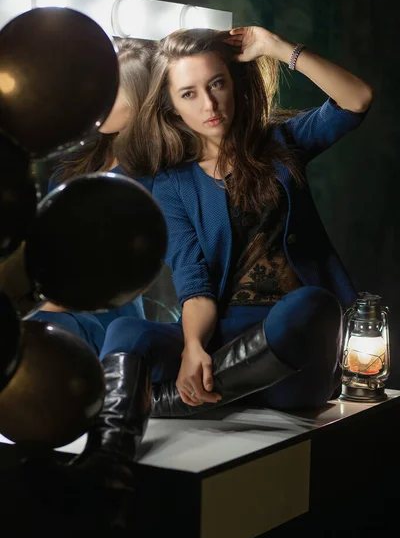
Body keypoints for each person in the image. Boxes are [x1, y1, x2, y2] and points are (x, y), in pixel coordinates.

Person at [97, 25, 373, 418]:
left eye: (216, 84)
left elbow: (357, 99)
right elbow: (194, 283)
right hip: (221, 339)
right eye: (189, 94)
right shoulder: (171, 184)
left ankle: (179, 401)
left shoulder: (282, 143)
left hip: (292, 351)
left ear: (233, 84)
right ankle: (110, 459)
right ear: (173, 106)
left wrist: (276, 47)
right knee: (124, 333)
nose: (209, 105)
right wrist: (193, 348)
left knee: (313, 304)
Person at [31, 37, 155, 356]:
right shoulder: (75, 161)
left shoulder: (148, 179)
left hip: (98, 314)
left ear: (141, 99)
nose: (97, 100)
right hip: (51, 298)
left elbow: (121, 271)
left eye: (112, 93)